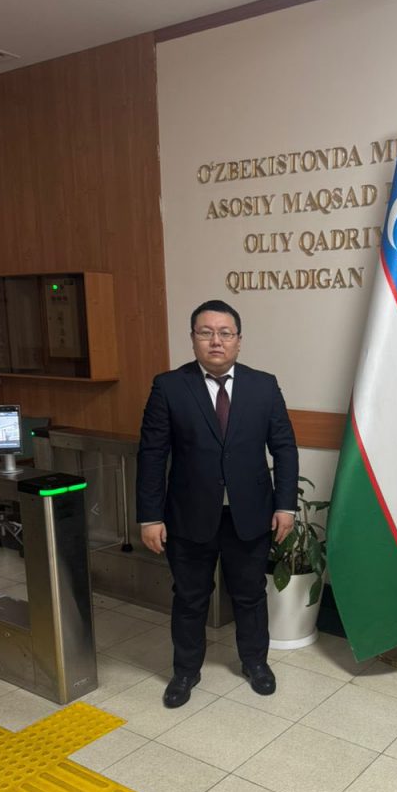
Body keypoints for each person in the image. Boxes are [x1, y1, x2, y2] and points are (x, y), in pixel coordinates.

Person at [136, 300, 298, 707]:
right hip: (188, 515)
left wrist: (285, 506)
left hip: (250, 515)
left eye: (225, 333)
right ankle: (185, 671)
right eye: (206, 332)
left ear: (238, 341)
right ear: (192, 339)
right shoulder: (169, 387)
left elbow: (284, 448)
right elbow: (152, 455)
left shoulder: (264, 386)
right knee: (190, 597)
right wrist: (150, 516)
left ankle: (255, 662)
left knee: (250, 594)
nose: (216, 341)